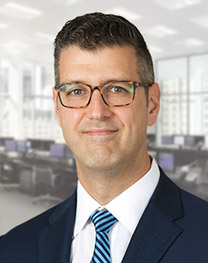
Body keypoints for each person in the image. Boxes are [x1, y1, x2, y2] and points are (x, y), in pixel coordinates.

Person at [0, 12, 208, 263]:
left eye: (118, 89)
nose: (97, 112)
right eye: (76, 91)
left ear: (152, 104)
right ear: (58, 108)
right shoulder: (11, 249)